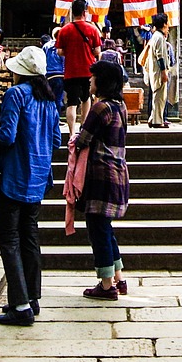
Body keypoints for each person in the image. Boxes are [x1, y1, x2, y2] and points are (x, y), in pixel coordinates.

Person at [0, 45, 62, 326]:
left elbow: (7, 136)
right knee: (30, 237)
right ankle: (32, 297)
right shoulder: (49, 99)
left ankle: (20, 306)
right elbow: (56, 140)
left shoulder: (15, 94)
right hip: (39, 177)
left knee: (9, 241)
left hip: (13, 176)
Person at [71, 58, 130, 300]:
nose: (90, 80)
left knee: (97, 228)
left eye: (93, 77)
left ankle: (106, 285)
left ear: (101, 81)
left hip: (100, 173)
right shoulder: (120, 106)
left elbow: (84, 139)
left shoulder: (100, 108)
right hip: (117, 170)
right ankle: (119, 277)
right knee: (105, 227)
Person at [53, 0, 103, 143]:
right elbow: (97, 50)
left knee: (71, 102)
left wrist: (71, 52)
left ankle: (71, 133)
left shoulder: (64, 30)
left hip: (71, 71)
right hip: (88, 70)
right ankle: (84, 126)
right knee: (86, 98)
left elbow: (60, 52)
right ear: (84, 12)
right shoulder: (92, 29)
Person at [140, 13, 177, 127]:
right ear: (164, 24)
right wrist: (164, 72)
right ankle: (157, 121)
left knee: (157, 96)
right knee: (159, 97)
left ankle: (152, 118)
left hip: (154, 70)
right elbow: (160, 56)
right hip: (159, 71)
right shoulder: (160, 37)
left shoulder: (154, 36)